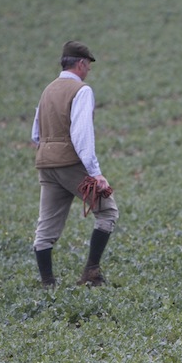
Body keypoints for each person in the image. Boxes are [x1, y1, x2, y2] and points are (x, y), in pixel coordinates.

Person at [31, 41, 119, 287]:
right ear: (81, 64)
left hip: (45, 165)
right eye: (88, 65)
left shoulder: (48, 90)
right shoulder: (81, 91)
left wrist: (49, 151)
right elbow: (82, 135)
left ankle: (47, 283)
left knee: (46, 227)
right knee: (108, 212)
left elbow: (35, 134)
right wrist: (96, 174)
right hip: (70, 163)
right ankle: (91, 273)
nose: (89, 70)